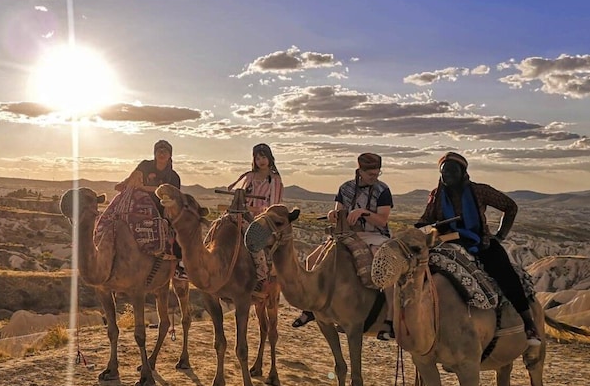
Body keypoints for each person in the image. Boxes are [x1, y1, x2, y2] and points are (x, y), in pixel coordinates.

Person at [414, 151, 541, 346]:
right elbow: (427, 219)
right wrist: (420, 228)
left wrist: (499, 236)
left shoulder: (479, 191)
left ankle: (528, 323)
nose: (447, 176)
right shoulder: (436, 195)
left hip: (479, 243)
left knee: (504, 272)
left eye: (451, 172)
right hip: (446, 243)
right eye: (443, 173)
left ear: (463, 172)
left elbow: (510, 206)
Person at [292, 153, 395, 340]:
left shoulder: (382, 190)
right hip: (346, 234)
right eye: (370, 173)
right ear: (360, 171)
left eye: (377, 172)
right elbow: (339, 211)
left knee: (383, 266)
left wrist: (363, 213)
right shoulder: (346, 188)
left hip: (374, 235)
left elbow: (382, 220)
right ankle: (311, 307)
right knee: (312, 260)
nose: (374, 176)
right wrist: (333, 214)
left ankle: (391, 318)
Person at [115, 139, 186, 278]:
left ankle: (180, 265)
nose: (161, 153)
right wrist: (124, 184)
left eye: (165, 151)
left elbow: (169, 191)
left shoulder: (173, 176)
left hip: (162, 207)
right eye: (159, 150)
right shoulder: (145, 165)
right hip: (140, 205)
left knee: (178, 228)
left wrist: (144, 188)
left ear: (170, 155)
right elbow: (133, 176)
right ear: (154, 153)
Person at [227, 143, 284, 215]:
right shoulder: (250, 176)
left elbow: (273, 205)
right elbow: (241, 194)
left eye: (263, 157)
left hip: (264, 217)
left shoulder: (275, 179)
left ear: (269, 158)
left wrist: (256, 209)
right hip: (244, 214)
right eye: (258, 159)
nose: (261, 161)